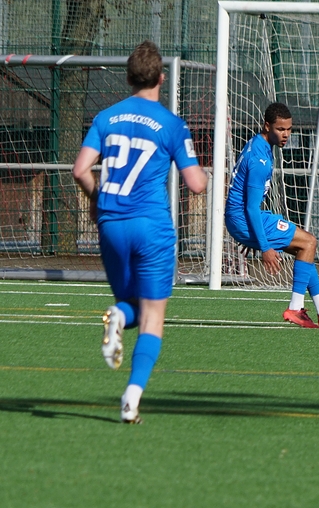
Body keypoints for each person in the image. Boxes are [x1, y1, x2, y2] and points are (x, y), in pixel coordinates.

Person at [72, 41, 209, 424]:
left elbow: (80, 169)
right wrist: (208, 176)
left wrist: (101, 200)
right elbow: (195, 184)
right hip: (152, 228)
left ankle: (117, 313)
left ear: (129, 77)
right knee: (152, 317)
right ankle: (131, 397)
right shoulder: (171, 124)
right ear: (161, 78)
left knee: (131, 303)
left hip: (111, 225)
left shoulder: (106, 117)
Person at [225, 102, 319, 329]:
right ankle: (296, 309)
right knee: (309, 241)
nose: (285, 135)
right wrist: (264, 246)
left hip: (241, 220)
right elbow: (251, 209)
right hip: (244, 218)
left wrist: (248, 235)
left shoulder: (258, 145)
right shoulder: (260, 161)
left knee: (303, 248)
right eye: (280, 129)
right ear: (267, 126)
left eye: (289, 129)